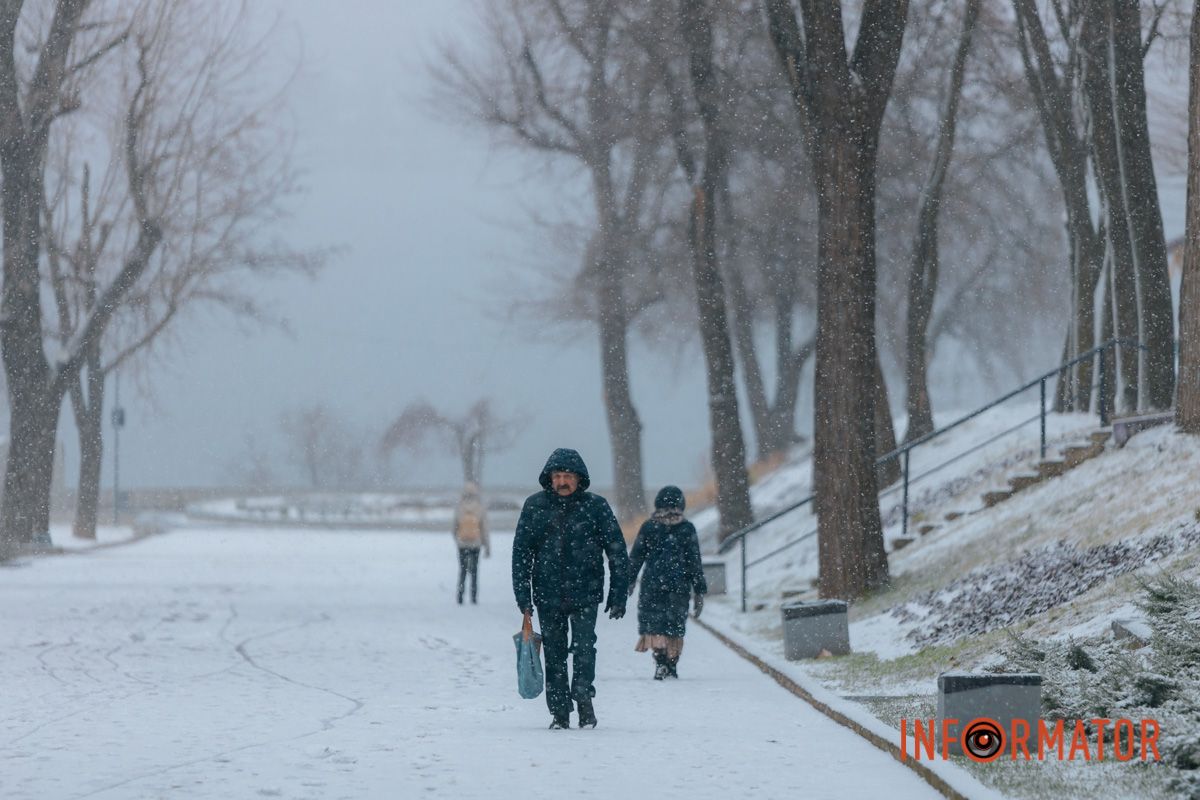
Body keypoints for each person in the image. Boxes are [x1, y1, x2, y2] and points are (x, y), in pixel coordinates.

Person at [512, 448, 630, 729]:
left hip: (586, 591)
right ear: (549, 479)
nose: (562, 482)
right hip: (547, 594)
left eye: (567, 476)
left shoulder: (596, 507)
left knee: (585, 647)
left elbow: (617, 551)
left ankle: (584, 699)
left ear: (579, 479)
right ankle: (559, 712)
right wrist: (523, 598)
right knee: (554, 653)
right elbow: (521, 555)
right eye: (557, 476)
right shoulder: (535, 507)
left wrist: (618, 593)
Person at [628, 485, 706, 680]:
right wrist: (699, 591)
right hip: (678, 587)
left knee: (655, 625)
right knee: (675, 625)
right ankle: (671, 663)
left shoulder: (649, 526)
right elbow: (695, 563)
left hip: (652, 586)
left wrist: (627, 582)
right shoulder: (686, 528)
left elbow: (636, 557)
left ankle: (660, 661)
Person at [453, 482, 490, 605]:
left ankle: (460, 596)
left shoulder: (459, 506)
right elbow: (484, 528)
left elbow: (454, 527)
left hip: (462, 544)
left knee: (462, 571)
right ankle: (473, 597)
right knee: (474, 571)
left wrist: (458, 540)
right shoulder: (479, 507)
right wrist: (487, 546)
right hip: (476, 544)